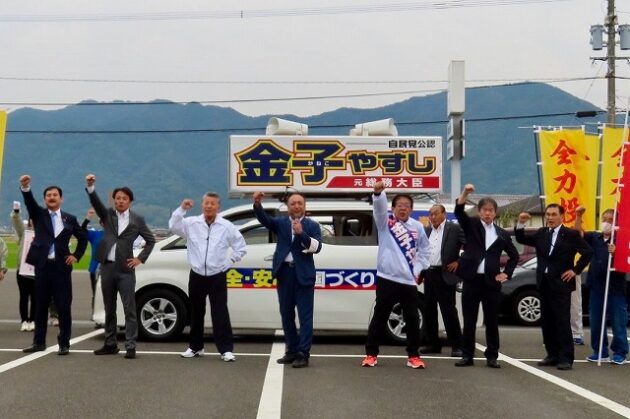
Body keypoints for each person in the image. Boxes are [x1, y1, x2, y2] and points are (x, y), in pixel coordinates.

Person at [85, 174, 156, 359]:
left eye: (124, 198)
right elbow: (96, 203)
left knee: (129, 308)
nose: (121, 201)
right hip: (107, 267)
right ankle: (110, 344)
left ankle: (131, 345)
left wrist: (140, 259)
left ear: (130, 201)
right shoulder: (107, 215)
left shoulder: (137, 219)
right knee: (109, 308)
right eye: (118, 198)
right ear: (114, 200)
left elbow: (150, 241)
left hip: (125, 269)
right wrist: (91, 187)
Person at [169, 194, 247, 361]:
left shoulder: (226, 226)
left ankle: (226, 350)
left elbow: (241, 247)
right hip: (197, 274)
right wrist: (182, 209)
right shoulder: (192, 223)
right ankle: (195, 347)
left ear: (218, 207)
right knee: (196, 312)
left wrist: (228, 262)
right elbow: (174, 227)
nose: (209, 206)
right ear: (202, 205)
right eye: (206, 203)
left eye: (212, 203)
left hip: (217, 274)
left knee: (220, 312)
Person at [362, 181, 431, 369]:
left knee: (412, 319)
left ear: (411, 209)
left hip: (408, 281)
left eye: (406, 206)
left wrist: (418, 269)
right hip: (387, 278)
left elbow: (425, 250)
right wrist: (378, 194)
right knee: (380, 316)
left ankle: (413, 356)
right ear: (392, 208)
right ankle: (371, 354)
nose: (403, 208)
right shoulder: (386, 223)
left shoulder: (417, 227)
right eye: (399, 205)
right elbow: (379, 209)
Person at [515, 204, 592, 370]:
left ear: (562, 216)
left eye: (553, 214)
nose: (549, 217)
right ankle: (552, 354)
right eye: (548, 214)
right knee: (547, 321)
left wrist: (575, 270)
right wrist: (520, 223)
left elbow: (588, 252)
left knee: (562, 321)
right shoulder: (542, 233)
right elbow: (521, 239)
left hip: (561, 283)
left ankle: (566, 357)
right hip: (544, 282)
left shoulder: (570, 234)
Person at [19, 174, 87, 355]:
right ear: (44, 199)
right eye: (48, 195)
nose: (51, 197)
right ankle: (38, 342)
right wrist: (26, 188)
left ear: (61, 199)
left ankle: (64, 343)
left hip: (61, 268)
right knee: (40, 306)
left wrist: (76, 255)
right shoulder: (39, 215)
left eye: (55, 195)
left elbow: (82, 238)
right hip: (43, 267)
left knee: (64, 307)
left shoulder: (70, 219)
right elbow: (29, 202)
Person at [253, 191, 322, 368]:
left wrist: (301, 234)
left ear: (304, 206)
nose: (296, 206)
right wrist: (257, 204)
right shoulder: (281, 223)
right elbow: (265, 220)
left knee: (305, 316)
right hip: (284, 273)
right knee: (286, 314)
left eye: (300, 203)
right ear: (288, 207)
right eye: (293, 203)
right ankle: (291, 350)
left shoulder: (312, 225)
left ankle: (303, 353)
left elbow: (317, 247)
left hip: (303, 275)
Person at [454, 184, 519, 369]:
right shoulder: (472, 226)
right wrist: (465, 193)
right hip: (472, 280)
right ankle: (467, 355)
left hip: (491, 282)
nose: (488, 213)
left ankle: (492, 356)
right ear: (479, 211)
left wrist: (506, 273)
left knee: (492, 320)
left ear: (495, 213)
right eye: (484, 210)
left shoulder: (502, 234)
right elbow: (459, 212)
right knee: (469, 320)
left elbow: (514, 256)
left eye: (491, 210)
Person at [575, 206, 628, 365]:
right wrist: (578, 216)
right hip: (596, 286)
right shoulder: (595, 237)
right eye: (604, 219)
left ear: (617, 223)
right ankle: (600, 351)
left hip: (615, 287)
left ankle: (620, 352)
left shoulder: (622, 240)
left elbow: (626, 260)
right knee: (596, 320)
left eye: (610, 220)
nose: (606, 223)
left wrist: (617, 252)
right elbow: (578, 234)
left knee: (618, 321)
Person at [419, 204, 465, 358]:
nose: (433, 217)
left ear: (444, 214)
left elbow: (471, 246)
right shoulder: (427, 230)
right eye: (431, 214)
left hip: (445, 274)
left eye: (436, 213)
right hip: (429, 273)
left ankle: (457, 345)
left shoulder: (454, 229)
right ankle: (433, 344)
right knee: (429, 310)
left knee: (448, 311)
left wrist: (459, 261)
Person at [11, 202, 35, 331]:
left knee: (36, 297)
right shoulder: (24, 233)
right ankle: (24, 320)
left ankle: (33, 320)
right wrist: (16, 212)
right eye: (32, 219)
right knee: (24, 297)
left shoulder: (44, 234)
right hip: (23, 271)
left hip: (37, 271)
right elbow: (17, 223)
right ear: (29, 221)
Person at [81, 207, 105, 321]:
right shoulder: (95, 234)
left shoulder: (116, 235)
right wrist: (88, 218)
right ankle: (96, 314)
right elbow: (81, 230)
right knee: (96, 293)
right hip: (95, 269)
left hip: (111, 268)